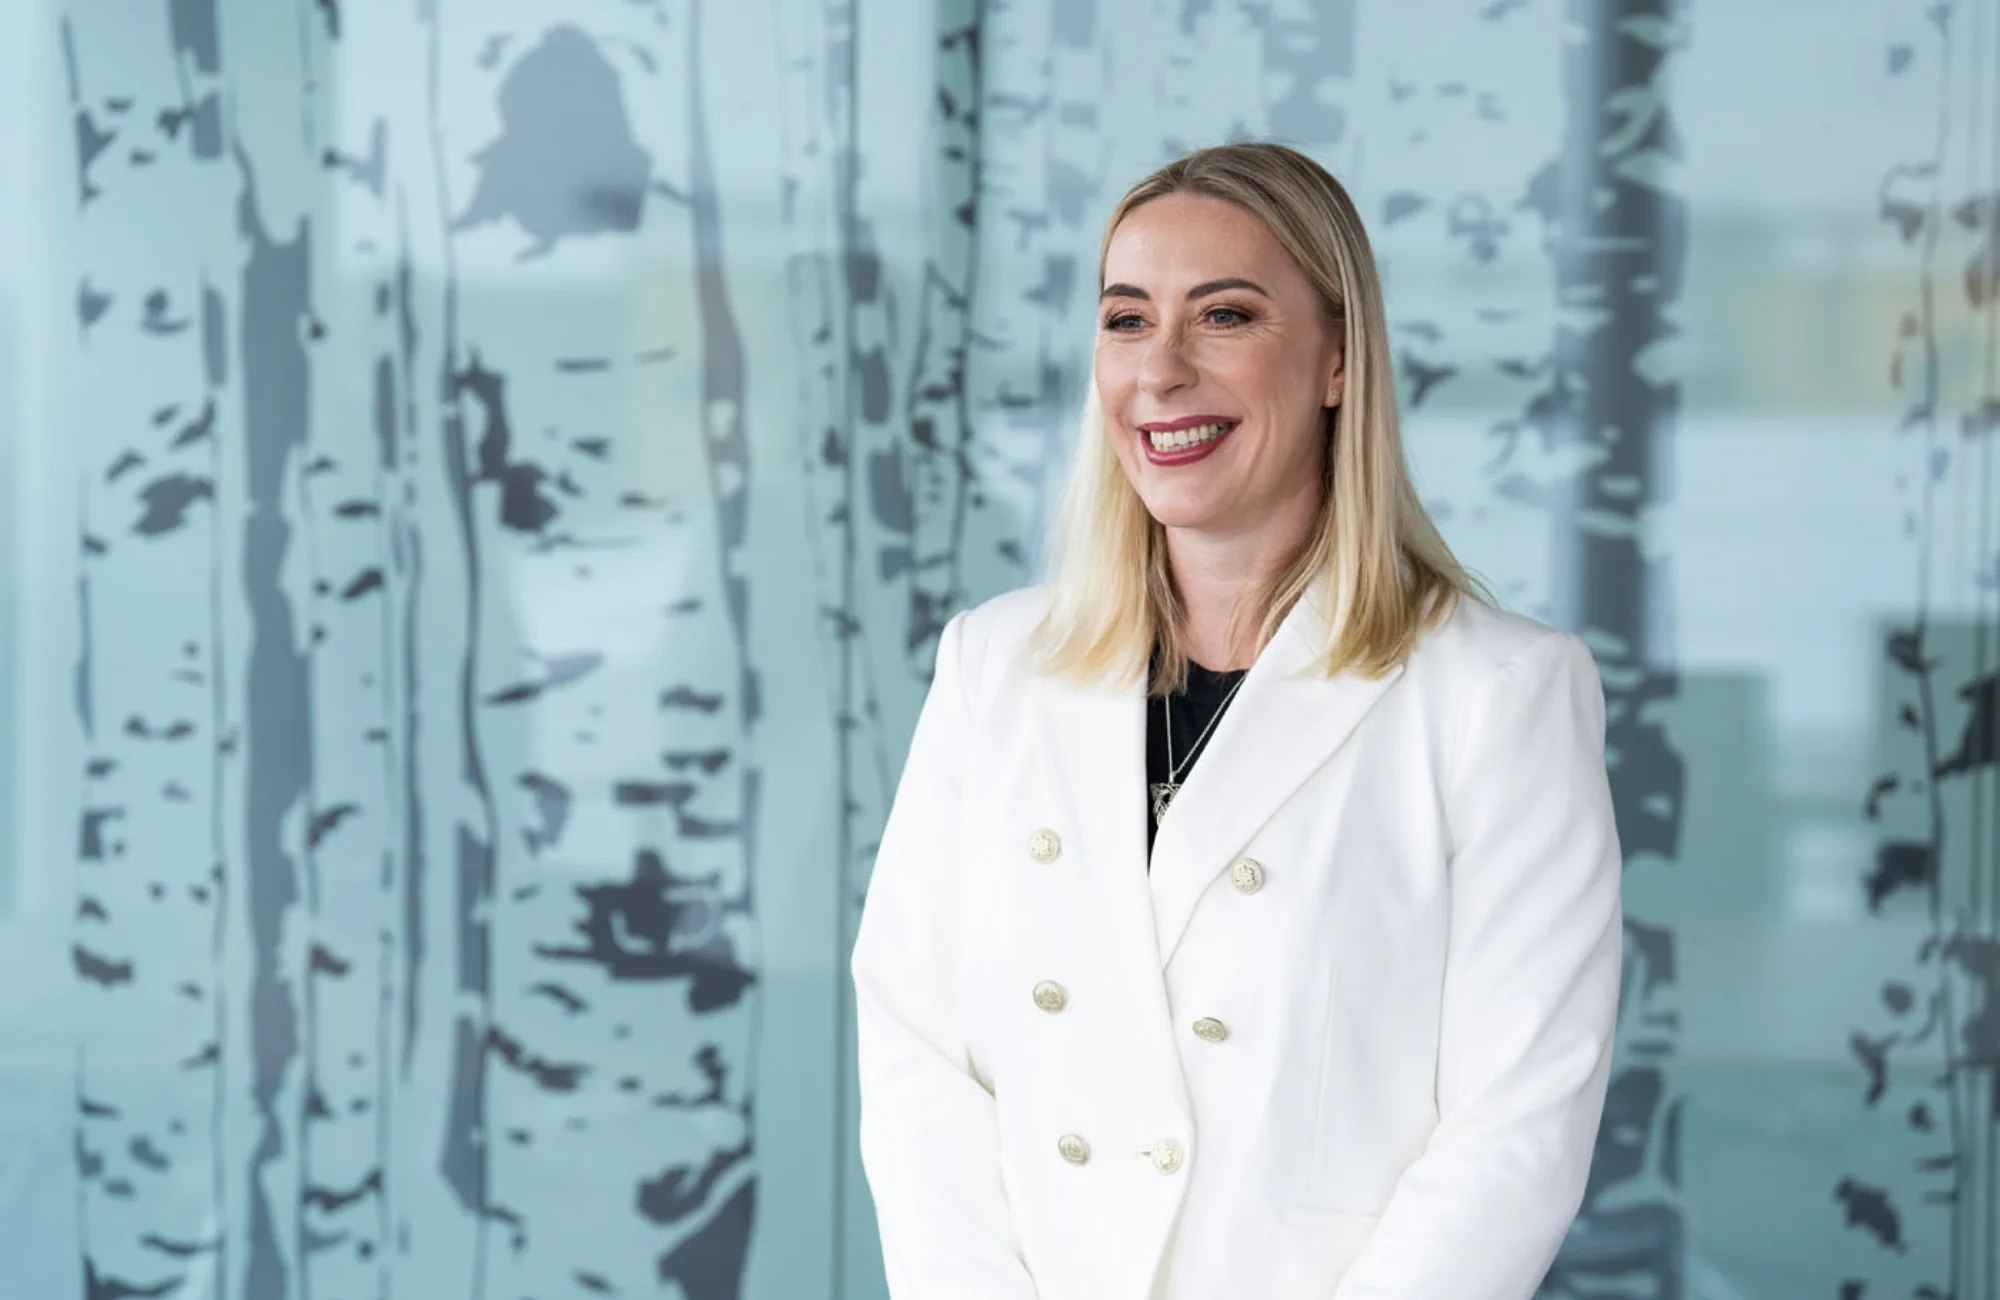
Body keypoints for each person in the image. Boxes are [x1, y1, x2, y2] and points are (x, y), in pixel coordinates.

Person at [850, 141, 1622, 1300]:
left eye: (1222, 317)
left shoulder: (1495, 696)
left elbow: (1515, 1128)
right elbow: (915, 1051)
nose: (1157, 372)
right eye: (1124, 319)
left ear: (1336, 365)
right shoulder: (992, 668)